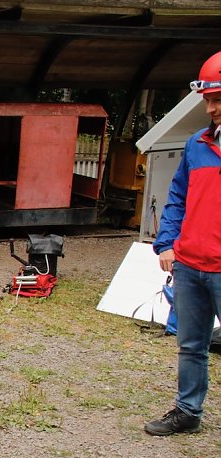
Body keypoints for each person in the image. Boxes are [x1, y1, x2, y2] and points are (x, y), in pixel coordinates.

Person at [145, 51, 221, 436]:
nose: (210, 107)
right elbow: (176, 196)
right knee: (191, 346)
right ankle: (187, 412)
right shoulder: (197, 144)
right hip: (191, 265)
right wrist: (166, 244)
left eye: (218, 98)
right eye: (207, 98)